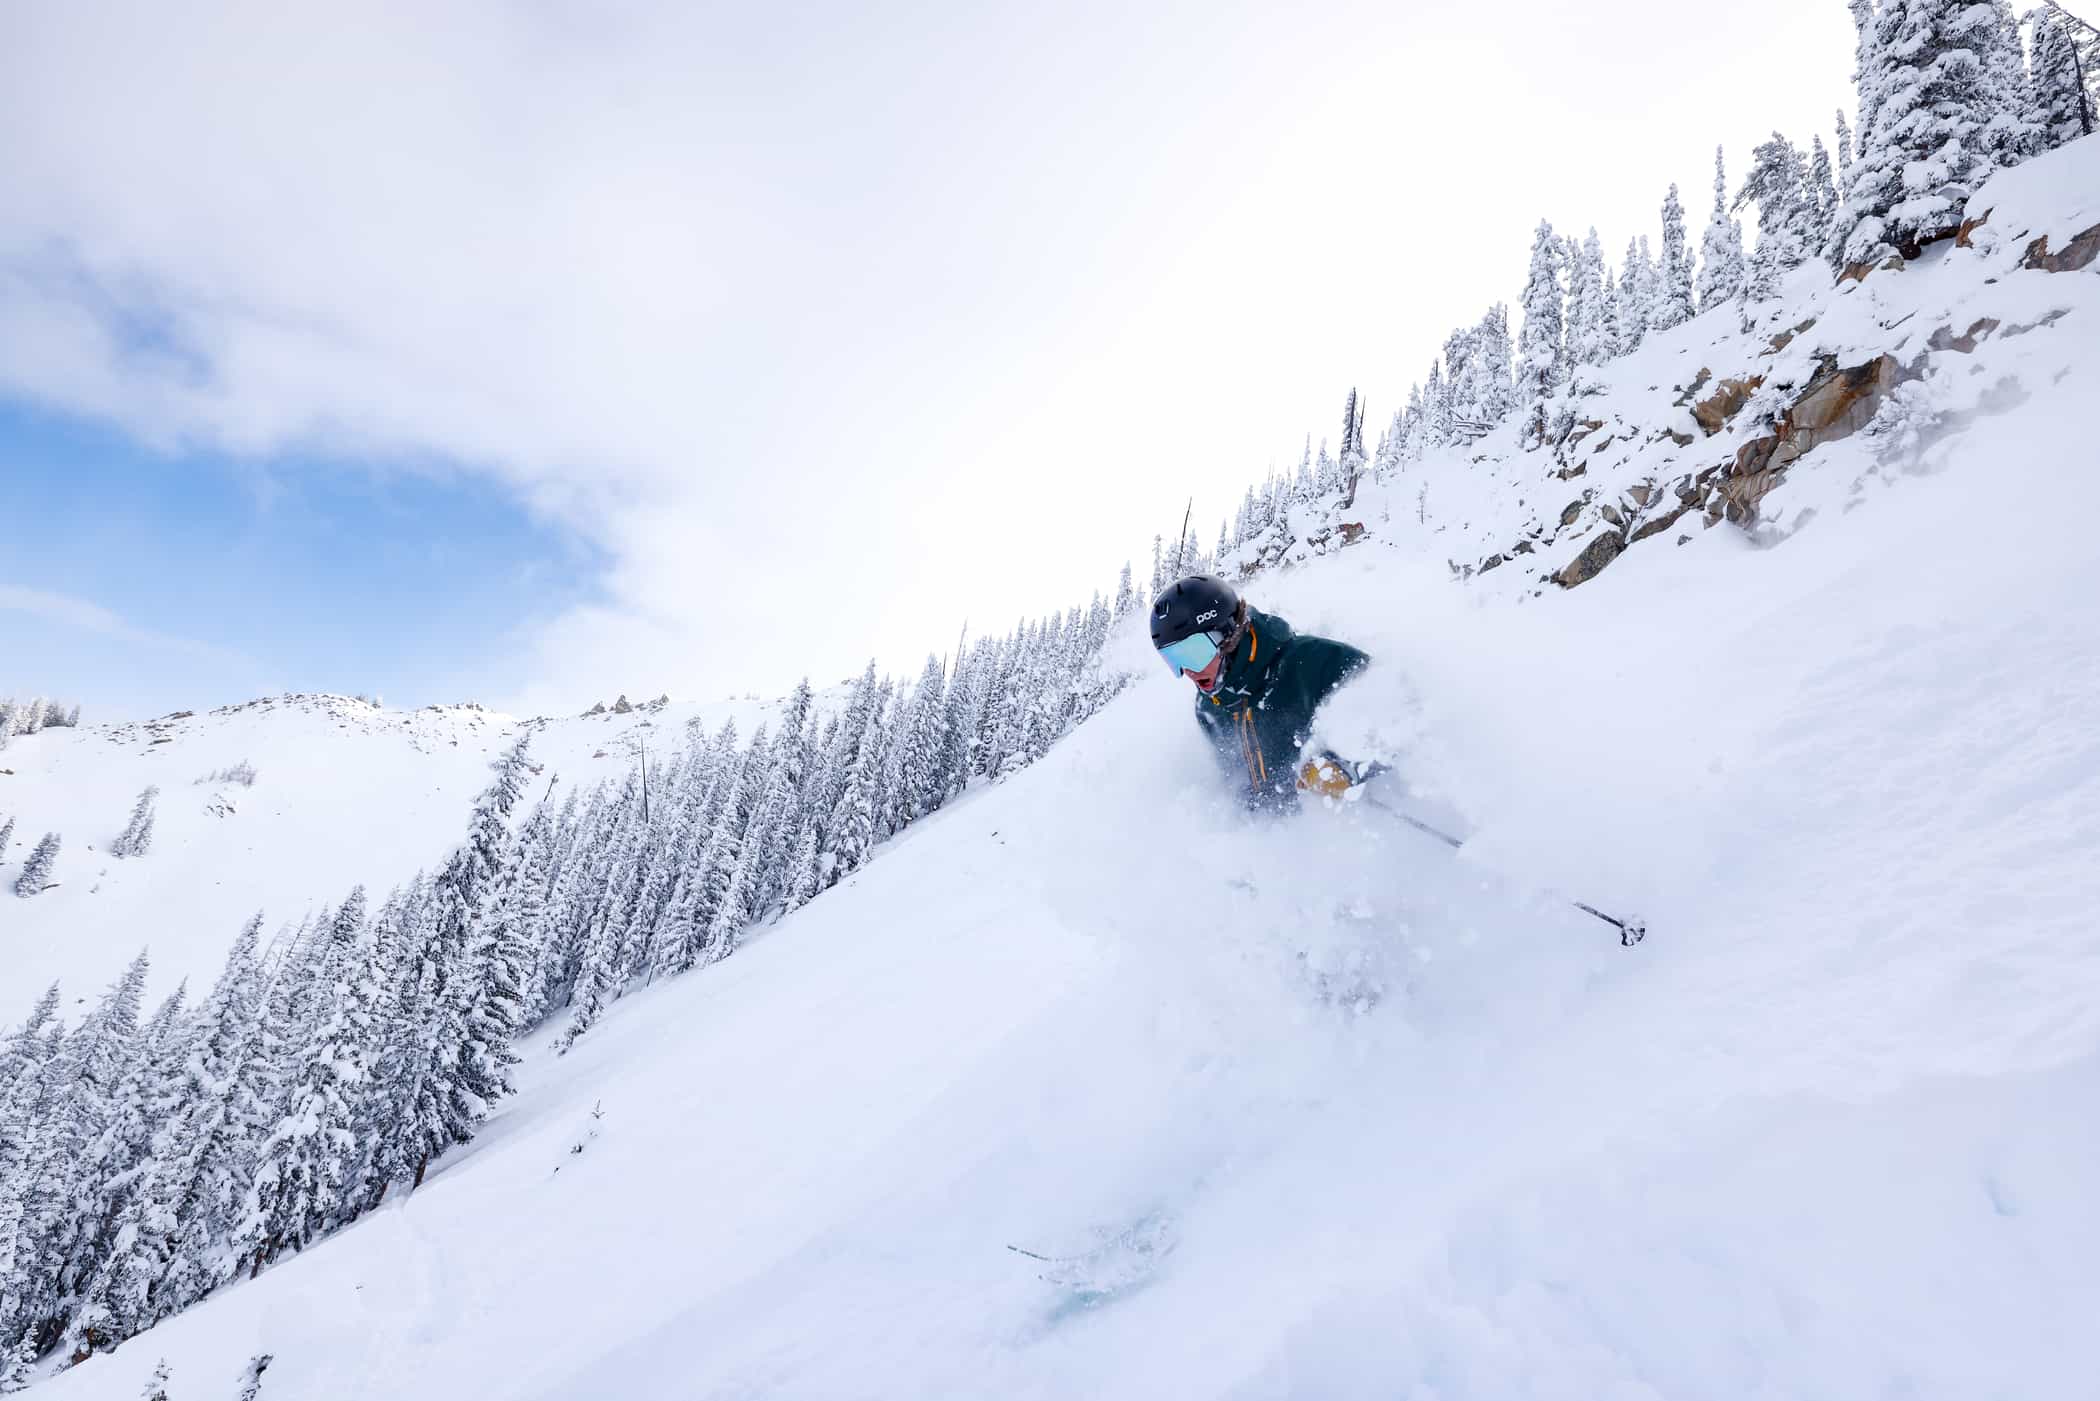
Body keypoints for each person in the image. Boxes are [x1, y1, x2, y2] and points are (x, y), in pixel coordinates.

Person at [1150, 574, 1370, 811]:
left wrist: (1347, 767)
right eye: (1175, 660)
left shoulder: (1314, 663)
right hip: (1276, 840)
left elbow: (1401, 718)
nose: (1189, 672)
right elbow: (1234, 777)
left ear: (1227, 636)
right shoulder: (1208, 708)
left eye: (1193, 654)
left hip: (1348, 831)